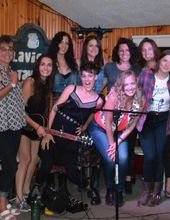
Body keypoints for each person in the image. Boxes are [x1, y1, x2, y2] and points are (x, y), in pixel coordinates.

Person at [31, 62, 103, 211]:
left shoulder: (98, 101)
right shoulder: (71, 89)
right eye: (83, 76)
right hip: (54, 132)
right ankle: (36, 188)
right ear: (80, 77)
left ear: (96, 77)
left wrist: (84, 126)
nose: (87, 79)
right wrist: (48, 133)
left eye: (90, 75)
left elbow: (92, 114)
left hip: (71, 138)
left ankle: (90, 186)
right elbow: (54, 109)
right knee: (45, 165)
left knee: (72, 173)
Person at [89, 70, 144, 206]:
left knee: (124, 158)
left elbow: (132, 125)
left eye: (132, 83)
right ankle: (110, 189)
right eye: (126, 85)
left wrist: (118, 141)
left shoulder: (141, 99)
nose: (130, 87)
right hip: (101, 128)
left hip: (120, 131)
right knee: (110, 158)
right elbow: (108, 123)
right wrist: (112, 145)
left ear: (136, 83)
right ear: (121, 85)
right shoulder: (114, 96)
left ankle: (119, 190)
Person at [137, 49, 170, 207]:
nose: (167, 64)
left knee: (160, 155)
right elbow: (135, 93)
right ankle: (146, 191)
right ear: (159, 61)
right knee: (150, 156)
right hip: (146, 118)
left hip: (163, 120)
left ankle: (156, 192)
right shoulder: (146, 75)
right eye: (165, 60)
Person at [0, 35, 26, 220]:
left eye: (10, 49)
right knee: (11, 166)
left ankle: (2, 203)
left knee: (11, 164)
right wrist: (12, 84)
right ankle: (1, 205)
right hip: (2, 126)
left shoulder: (11, 70)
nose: (7, 52)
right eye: (3, 48)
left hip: (15, 125)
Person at [15, 54, 54, 211]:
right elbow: (20, 111)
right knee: (25, 159)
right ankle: (18, 199)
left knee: (34, 160)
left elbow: (49, 112)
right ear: (38, 67)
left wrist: (47, 130)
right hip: (24, 126)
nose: (45, 68)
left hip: (38, 127)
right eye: (42, 64)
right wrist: (36, 126)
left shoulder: (48, 87)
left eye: (49, 65)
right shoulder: (30, 82)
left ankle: (26, 191)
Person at [104, 37, 138, 194]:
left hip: (129, 115)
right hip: (111, 113)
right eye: (121, 50)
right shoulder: (110, 67)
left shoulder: (136, 69)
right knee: (112, 149)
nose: (124, 53)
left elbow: (140, 92)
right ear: (117, 52)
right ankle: (112, 183)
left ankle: (127, 178)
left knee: (128, 149)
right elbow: (100, 85)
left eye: (127, 50)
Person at [78, 35, 105, 205]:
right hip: (81, 108)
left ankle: (92, 184)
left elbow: (103, 88)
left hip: (96, 107)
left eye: (96, 46)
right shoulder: (78, 65)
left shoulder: (103, 68)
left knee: (95, 146)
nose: (94, 48)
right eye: (90, 45)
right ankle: (85, 182)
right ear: (86, 47)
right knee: (82, 147)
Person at [48, 31, 79, 102]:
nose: (64, 46)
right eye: (61, 42)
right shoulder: (49, 62)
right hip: (53, 105)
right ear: (56, 43)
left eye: (66, 43)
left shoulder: (73, 63)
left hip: (71, 105)